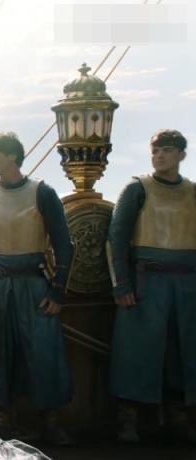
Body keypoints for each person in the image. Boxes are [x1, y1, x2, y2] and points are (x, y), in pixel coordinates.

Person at [0, 132, 74, 446]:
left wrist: (58, 290)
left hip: (33, 285)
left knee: (44, 352)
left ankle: (50, 422)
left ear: (12, 156)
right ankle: (0, 421)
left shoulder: (42, 193)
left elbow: (64, 245)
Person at [107, 129, 196, 444]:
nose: (159, 156)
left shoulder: (192, 192)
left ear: (181, 155)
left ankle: (178, 416)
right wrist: (121, 285)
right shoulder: (137, 189)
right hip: (146, 283)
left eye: (167, 150)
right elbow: (116, 239)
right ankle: (128, 419)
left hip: (187, 285)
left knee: (182, 350)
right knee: (136, 351)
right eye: (155, 150)